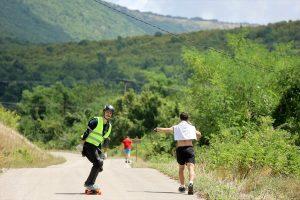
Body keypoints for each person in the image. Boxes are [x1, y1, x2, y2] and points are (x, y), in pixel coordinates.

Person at [153, 112, 201, 195]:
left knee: (181, 168)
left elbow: (167, 130)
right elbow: (199, 134)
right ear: (188, 118)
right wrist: (194, 132)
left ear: (180, 118)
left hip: (180, 150)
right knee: (191, 168)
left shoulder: (176, 127)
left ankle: (182, 186)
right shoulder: (191, 127)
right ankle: (191, 183)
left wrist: (157, 129)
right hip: (189, 148)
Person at [80, 104, 114, 190]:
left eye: (110, 113)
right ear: (104, 112)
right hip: (88, 145)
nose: (108, 114)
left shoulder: (109, 126)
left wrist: (104, 152)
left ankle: (90, 182)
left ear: (112, 115)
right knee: (98, 163)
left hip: (96, 147)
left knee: (100, 165)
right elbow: (86, 133)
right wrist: (81, 147)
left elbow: (106, 139)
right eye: (107, 112)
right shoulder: (96, 121)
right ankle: (89, 183)